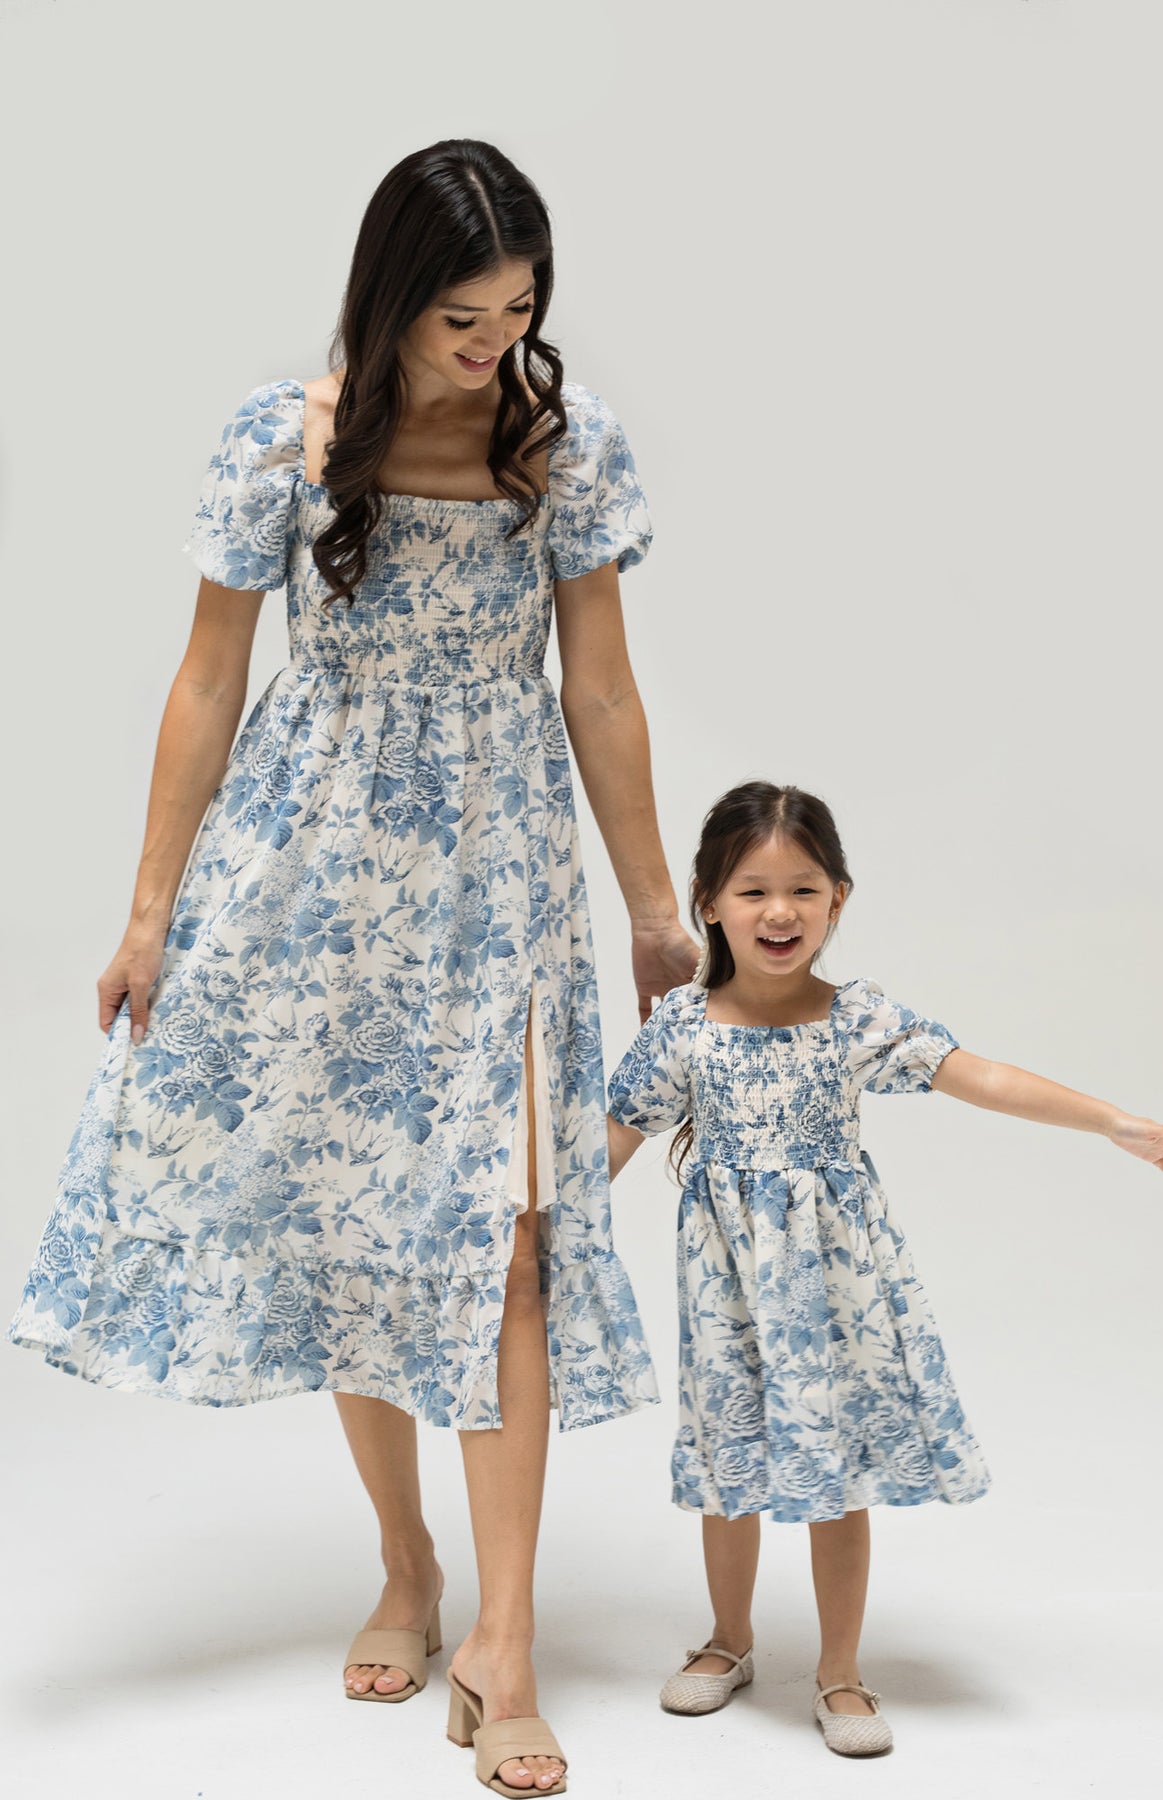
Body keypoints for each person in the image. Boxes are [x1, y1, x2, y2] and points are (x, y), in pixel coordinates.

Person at [8, 140, 698, 1797]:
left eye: (520, 311)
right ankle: (407, 1560)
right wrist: (147, 913)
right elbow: (204, 680)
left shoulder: (566, 448)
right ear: (391, 299)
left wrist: (654, 907)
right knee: (358, 1226)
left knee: (510, 1242)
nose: (495, 344)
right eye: (464, 317)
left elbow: (602, 691)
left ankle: (506, 1644)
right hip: (310, 870)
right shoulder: (280, 439)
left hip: (498, 875)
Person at [605, 780, 1163, 1759]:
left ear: (839, 897)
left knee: (837, 1475)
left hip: (836, 1292)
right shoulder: (684, 1025)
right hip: (726, 1292)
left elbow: (980, 1074)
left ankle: (840, 1670)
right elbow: (612, 1139)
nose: (780, 911)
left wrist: (1113, 1122)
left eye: (804, 888)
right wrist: (521, 1222)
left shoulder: (855, 1020)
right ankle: (728, 1640)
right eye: (753, 891)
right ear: (708, 902)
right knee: (727, 1464)